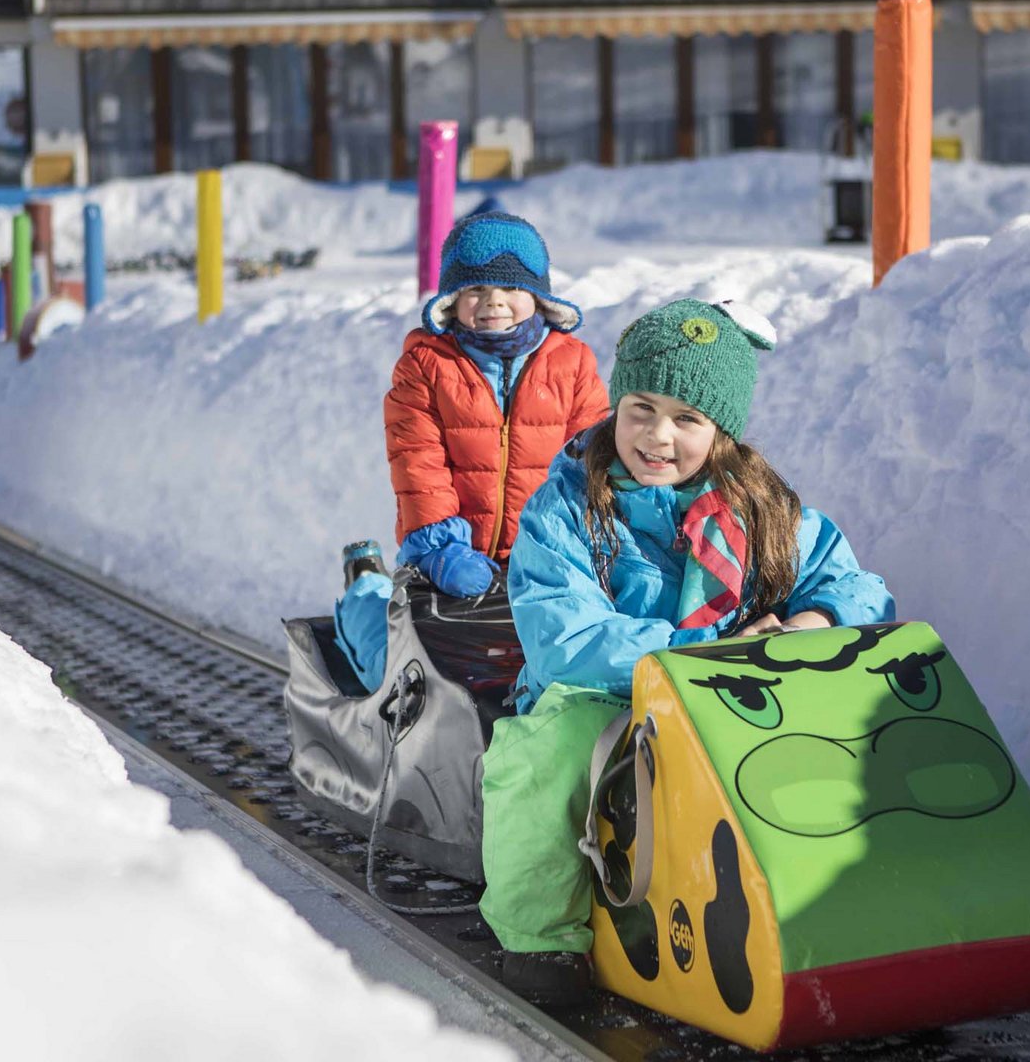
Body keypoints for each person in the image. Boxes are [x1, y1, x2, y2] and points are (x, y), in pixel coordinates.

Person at [480, 297, 896, 1005]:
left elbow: (855, 586)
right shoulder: (569, 507)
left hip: (731, 697)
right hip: (605, 695)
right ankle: (539, 933)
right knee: (548, 754)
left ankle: (849, 896)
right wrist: (705, 648)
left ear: (721, 429)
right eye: (640, 408)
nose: (657, 436)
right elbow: (566, 638)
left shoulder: (761, 506)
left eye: (687, 419)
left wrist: (812, 620)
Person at [332, 202, 609, 690]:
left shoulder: (572, 364)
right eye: (475, 289)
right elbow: (417, 459)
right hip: (454, 556)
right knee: (407, 675)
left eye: (510, 287)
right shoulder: (427, 365)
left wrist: (577, 543)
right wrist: (440, 546)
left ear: (538, 295)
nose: (493, 302)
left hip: (543, 558)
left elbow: (589, 456)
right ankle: (364, 599)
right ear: (453, 299)